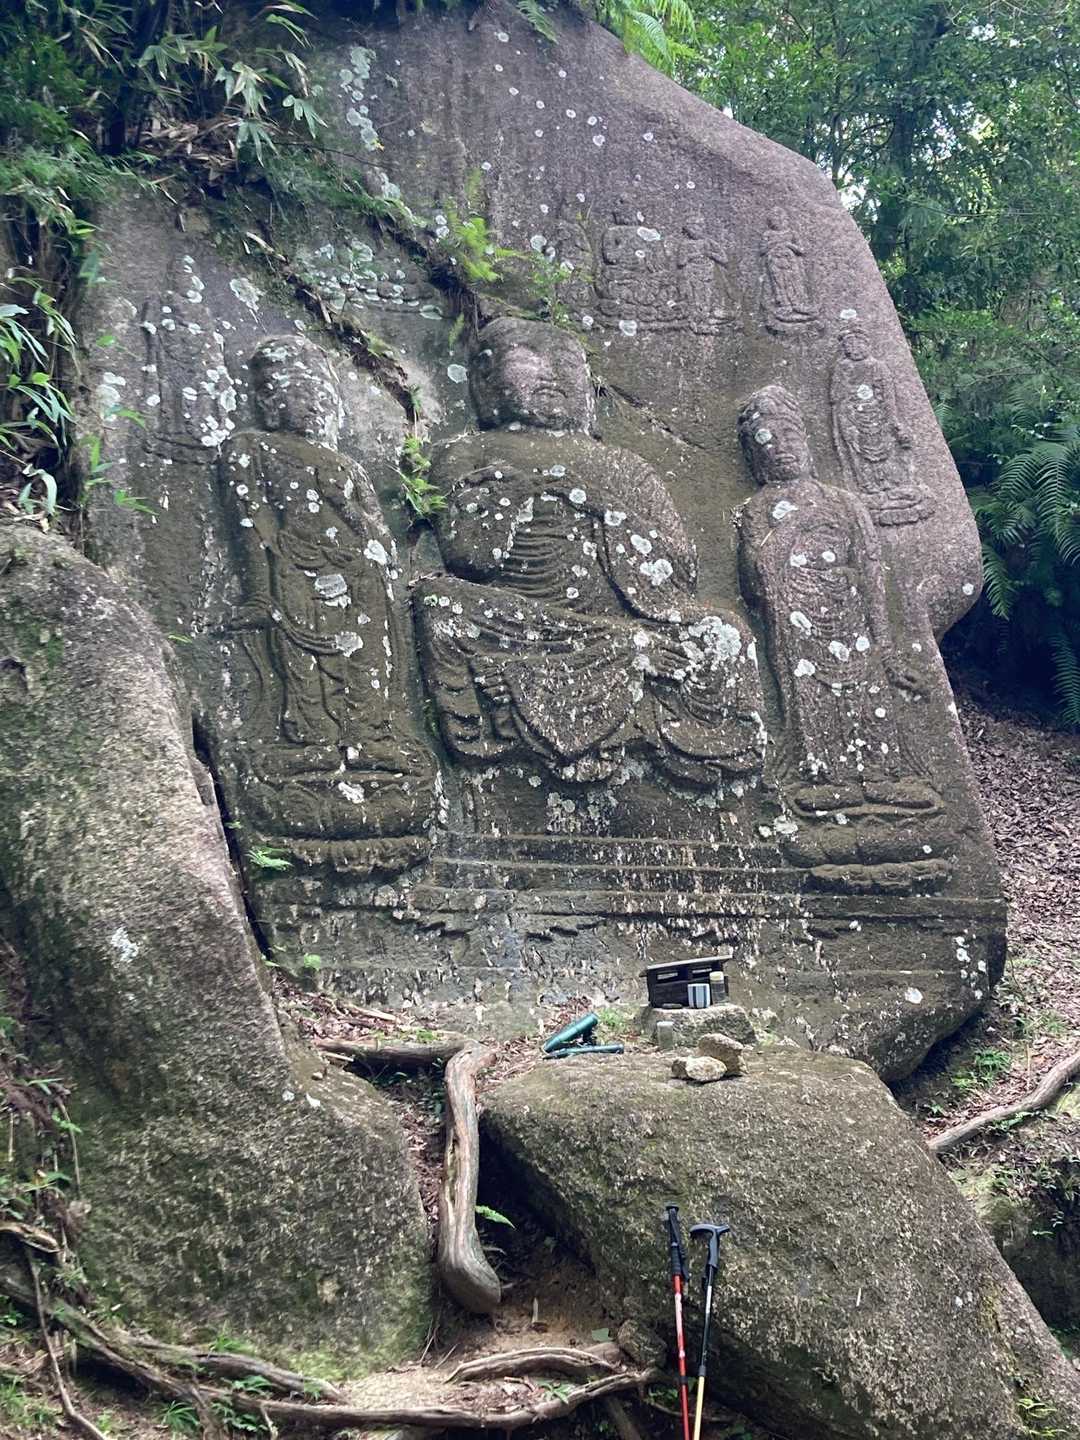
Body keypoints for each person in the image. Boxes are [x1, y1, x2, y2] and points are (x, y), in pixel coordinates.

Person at [414, 318, 765, 787]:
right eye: (530, 357)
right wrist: (510, 499)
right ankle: (625, 656)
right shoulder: (468, 453)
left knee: (724, 633)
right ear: (485, 375)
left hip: (625, 620)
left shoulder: (625, 466)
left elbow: (679, 574)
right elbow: (469, 560)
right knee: (440, 604)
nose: (552, 374)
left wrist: (600, 504)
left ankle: (620, 676)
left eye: (566, 363)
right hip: (529, 626)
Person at [220, 334, 433, 838]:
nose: (313, 401)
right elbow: (251, 525)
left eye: (321, 391)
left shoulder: (346, 465)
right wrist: (259, 592)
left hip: (362, 578)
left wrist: (354, 521)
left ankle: (370, 735)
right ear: (268, 399)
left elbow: (379, 535)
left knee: (369, 660)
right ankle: (313, 740)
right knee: (306, 663)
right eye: (298, 389)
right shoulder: (251, 448)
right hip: (296, 570)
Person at [736, 383, 935, 812]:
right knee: (811, 698)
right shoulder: (759, 509)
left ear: (806, 441)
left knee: (869, 693)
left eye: (790, 436)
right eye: (767, 441)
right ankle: (823, 775)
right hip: (795, 625)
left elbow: (871, 574)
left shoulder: (845, 503)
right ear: (754, 456)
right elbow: (754, 582)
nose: (781, 449)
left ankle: (882, 774)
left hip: (851, 617)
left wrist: (886, 647)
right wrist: (795, 525)